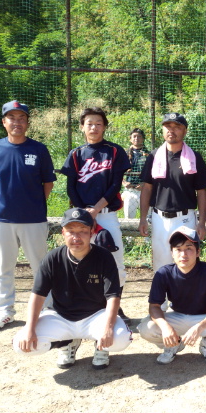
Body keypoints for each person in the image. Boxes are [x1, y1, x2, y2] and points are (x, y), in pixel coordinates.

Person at [12, 208, 132, 370]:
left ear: (91, 232)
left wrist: (108, 328)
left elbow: (113, 296)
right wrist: (29, 328)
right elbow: (38, 296)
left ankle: (100, 346)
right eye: (71, 231)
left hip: (95, 316)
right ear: (63, 233)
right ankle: (67, 343)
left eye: (82, 231)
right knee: (22, 345)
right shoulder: (52, 258)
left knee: (120, 338)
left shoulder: (104, 256)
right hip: (61, 316)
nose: (76, 237)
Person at [0, 100, 56, 331]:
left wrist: (31, 203)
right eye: (12, 118)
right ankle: (5, 312)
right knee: (4, 267)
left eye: (21, 118)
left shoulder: (38, 149)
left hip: (34, 219)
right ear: (4, 122)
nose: (17, 122)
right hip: (3, 219)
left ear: (27, 123)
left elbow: (48, 183)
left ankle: (49, 309)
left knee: (41, 267)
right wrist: (9, 202)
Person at [60, 107, 131, 322]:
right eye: (89, 123)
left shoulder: (114, 151)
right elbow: (71, 187)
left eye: (98, 123)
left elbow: (115, 185)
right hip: (80, 217)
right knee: (80, 259)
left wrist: (95, 210)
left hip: (106, 214)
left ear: (104, 126)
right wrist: (84, 214)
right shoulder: (76, 153)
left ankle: (115, 306)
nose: (94, 127)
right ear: (82, 127)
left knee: (115, 261)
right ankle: (87, 305)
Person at [138, 226, 206, 367]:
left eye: (189, 248)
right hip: (177, 315)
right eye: (178, 249)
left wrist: (199, 328)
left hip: (204, 317)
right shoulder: (163, 273)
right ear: (172, 253)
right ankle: (173, 345)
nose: (183, 254)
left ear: (198, 252)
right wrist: (165, 327)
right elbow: (154, 307)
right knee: (146, 328)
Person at [139, 113, 206, 272]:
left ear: (185, 131)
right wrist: (143, 218)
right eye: (168, 126)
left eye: (177, 127)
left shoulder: (194, 157)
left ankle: (187, 297)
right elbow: (147, 188)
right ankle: (162, 298)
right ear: (163, 130)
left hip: (185, 218)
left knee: (187, 263)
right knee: (161, 264)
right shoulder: (153, 156)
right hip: (159, 218)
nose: (172, 130)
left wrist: (201, 222)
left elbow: (201, 191)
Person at [122, 128, 150, 219]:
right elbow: (117, 172)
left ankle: (148, 233)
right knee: (129, 218)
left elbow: (153, 174)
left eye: (139, 136)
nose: (136, 138)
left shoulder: (149, 155)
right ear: (130, 139)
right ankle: (130, 233)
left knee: (148, 217)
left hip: (145, 190)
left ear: (143, 139)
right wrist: (124, 183)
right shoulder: (124, 154)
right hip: (130, 191)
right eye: (134, 136)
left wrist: (144, 184)